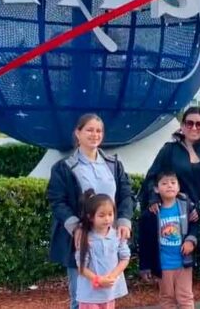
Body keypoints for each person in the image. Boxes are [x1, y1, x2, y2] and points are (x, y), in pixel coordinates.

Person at [140, 106, 200, 309]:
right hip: (179, 219)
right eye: (189, 123)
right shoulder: (169, 151)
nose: (194, 127)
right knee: (179, 269)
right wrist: (154, 198)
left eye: (199, 123)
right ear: (182, 125)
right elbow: (151, 178)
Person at [47, 113, 136, 309]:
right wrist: (76, 227)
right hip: (80, 241)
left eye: (98, 131)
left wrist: (123, 221)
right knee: (81, 299)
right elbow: (57, 201)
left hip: (108, 241)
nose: (95, 134)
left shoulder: (113, 165)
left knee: (106, 299)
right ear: (77, 133)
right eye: (89, 130)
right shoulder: (64, 168)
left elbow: (126, 194)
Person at [139, 171, 198, 309]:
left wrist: (191, 240)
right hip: (163, 265)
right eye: (164, 183)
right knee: (167, 299)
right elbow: (144, 241)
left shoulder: (186, 206)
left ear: (178, 187)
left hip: (183, 263)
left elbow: (195, 224)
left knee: (185, 298)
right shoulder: (151, 213)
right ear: (156, 189)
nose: (169, 186)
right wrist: (145, 266)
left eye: (173, 182)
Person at [75, 190, 131, 309]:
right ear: (90, 217)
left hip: (109, 293)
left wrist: (112, 276)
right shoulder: (85, 238)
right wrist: (97, 279)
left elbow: (125, 258)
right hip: (89, 295)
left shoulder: (117, 235)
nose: (107, 219)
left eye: (110, 214)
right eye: (101, 215)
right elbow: (81, 266)